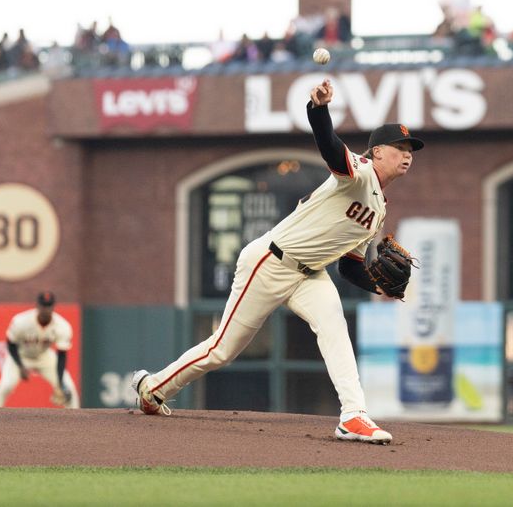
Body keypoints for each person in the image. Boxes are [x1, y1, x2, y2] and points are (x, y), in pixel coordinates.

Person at [132, 79, 423, 445]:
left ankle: (354, 416)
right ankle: (152, 388)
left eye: (411, 148)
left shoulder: (378, 210)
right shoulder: (361, 172)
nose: (408, 153)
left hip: (310, 276)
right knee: (222, 350)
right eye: (399, 147)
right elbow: (331, 148)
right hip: (270, 261)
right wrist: (318, 110)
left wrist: (379, 285)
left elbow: (349, 265)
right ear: (377, 152)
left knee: (335, 327)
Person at [0, 292, 80, 408]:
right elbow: (11, 344)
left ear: (53, 307)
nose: (45, 309)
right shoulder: (21, 321)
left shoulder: (62, 326)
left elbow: (62, 355)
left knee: (68, 388)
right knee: (6, 385)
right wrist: (20, 366)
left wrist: (60, 382)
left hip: (44, 356)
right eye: (43, 305)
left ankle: (76, 421)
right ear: (37, 305)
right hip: (21, 355)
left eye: (48, 306)